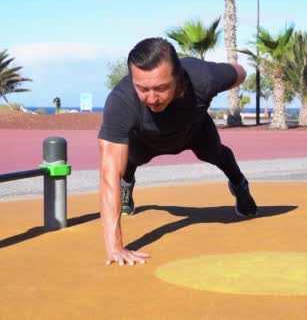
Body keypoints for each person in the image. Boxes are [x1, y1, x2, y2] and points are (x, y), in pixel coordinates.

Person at [98, 37, 258, 266]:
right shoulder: (121, 101)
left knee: (216, 153)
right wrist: (115, 247)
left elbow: (240, 72)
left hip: (194, 131)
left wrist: (231, 82)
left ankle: (239, 185)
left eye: (161, 88)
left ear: (179, 77)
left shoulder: (204, 76)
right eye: (142, 88)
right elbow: (107, 175)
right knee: (126, 162)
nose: (152, 98)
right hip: (146, 140)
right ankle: (128, 184)